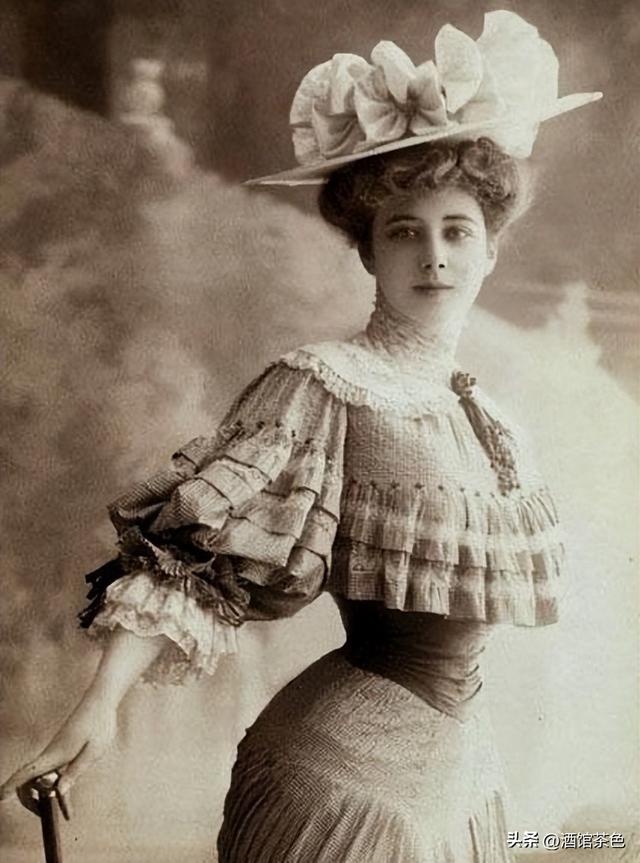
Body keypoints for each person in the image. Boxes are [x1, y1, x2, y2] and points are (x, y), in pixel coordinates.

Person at [0, 11, 602, 862]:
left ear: (491, 251)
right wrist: (97, 706)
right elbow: (194, 556)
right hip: (338, 784)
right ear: (369, 253)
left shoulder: (487, 416)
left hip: (458, 780)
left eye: (457, 230)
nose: (433, 255)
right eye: (404, 231)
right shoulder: (326, 384)